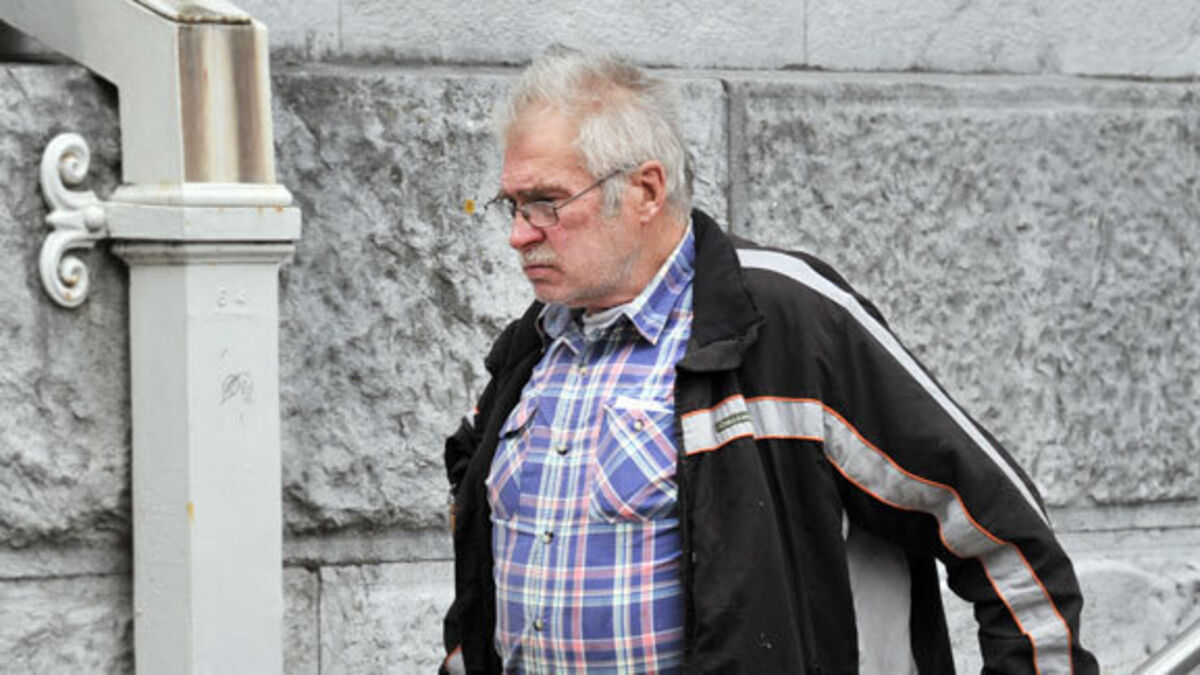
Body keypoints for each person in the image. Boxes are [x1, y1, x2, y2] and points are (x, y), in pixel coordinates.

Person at [441, 48, 1099, 674]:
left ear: (645, 190)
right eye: (512, 205)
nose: (518, 233)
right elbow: (479, 586)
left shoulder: (785, 322)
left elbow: (999, 531)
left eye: (547, 202)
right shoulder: (533, 346)